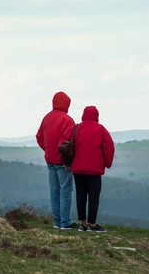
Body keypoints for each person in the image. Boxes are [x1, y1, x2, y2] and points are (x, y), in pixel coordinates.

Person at [36, 91, 78, 230]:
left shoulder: (46, 118)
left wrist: (48, 150)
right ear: (66, 104)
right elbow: (64, 144)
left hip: (50, 161)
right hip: (62, 163)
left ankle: (57, 221)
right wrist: (66, 161)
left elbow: (39, 137)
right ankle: (65, 222)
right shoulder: (67, 120)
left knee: (54, 191)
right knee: (65, 190)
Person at [70, 106, 115, 232]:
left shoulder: (77, 128)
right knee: (93, 196)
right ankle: (92, 224)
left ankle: (83, 224)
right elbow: (109, 147)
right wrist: (107, 163)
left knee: (80, 195)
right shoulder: (101, 129)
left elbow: (68, 143)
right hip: (94, 169)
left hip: (78, 169)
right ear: (96, 115)